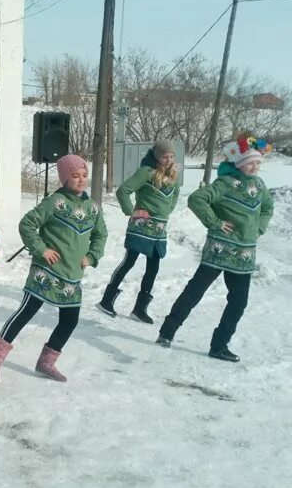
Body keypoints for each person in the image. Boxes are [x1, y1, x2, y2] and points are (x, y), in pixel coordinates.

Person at [0, 154, 107, 383]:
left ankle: (46, 362)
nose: (81, 180)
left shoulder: (93, 208)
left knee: (70, 320)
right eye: (75, 176)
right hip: (46, 271)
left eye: (84, 175)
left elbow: (101, 235)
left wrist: (92, 256)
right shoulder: (54, 202)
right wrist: (42, 249)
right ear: (64, 179)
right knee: (26, 311)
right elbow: (27, 224)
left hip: (72, 274)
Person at [156, 135, 274, 362]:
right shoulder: (225, 183)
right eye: (250, 162)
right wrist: (215, 222)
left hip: (244, 255)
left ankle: (219, 345)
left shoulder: (259, 186)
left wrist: (260, 227)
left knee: (239, 302)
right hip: (219, 250)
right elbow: (197, 199)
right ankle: (167, 332)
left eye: (258, 163)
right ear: (238, 163)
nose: (254, 167)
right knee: (195, 291)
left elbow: (268, 207)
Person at [97, 140, 180, 324]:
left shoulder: (173, 175)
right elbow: (123, 191)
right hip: (141, 227)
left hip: (159, 230)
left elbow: (175, 196)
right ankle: (106, 300)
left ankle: (140, 308)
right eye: (165, 156)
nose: (168, 160)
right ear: (157, 157)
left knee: (153, 267)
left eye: (171, 156)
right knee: (129, 261)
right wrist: (132, 211)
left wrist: (166, 212)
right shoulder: (146, 172)